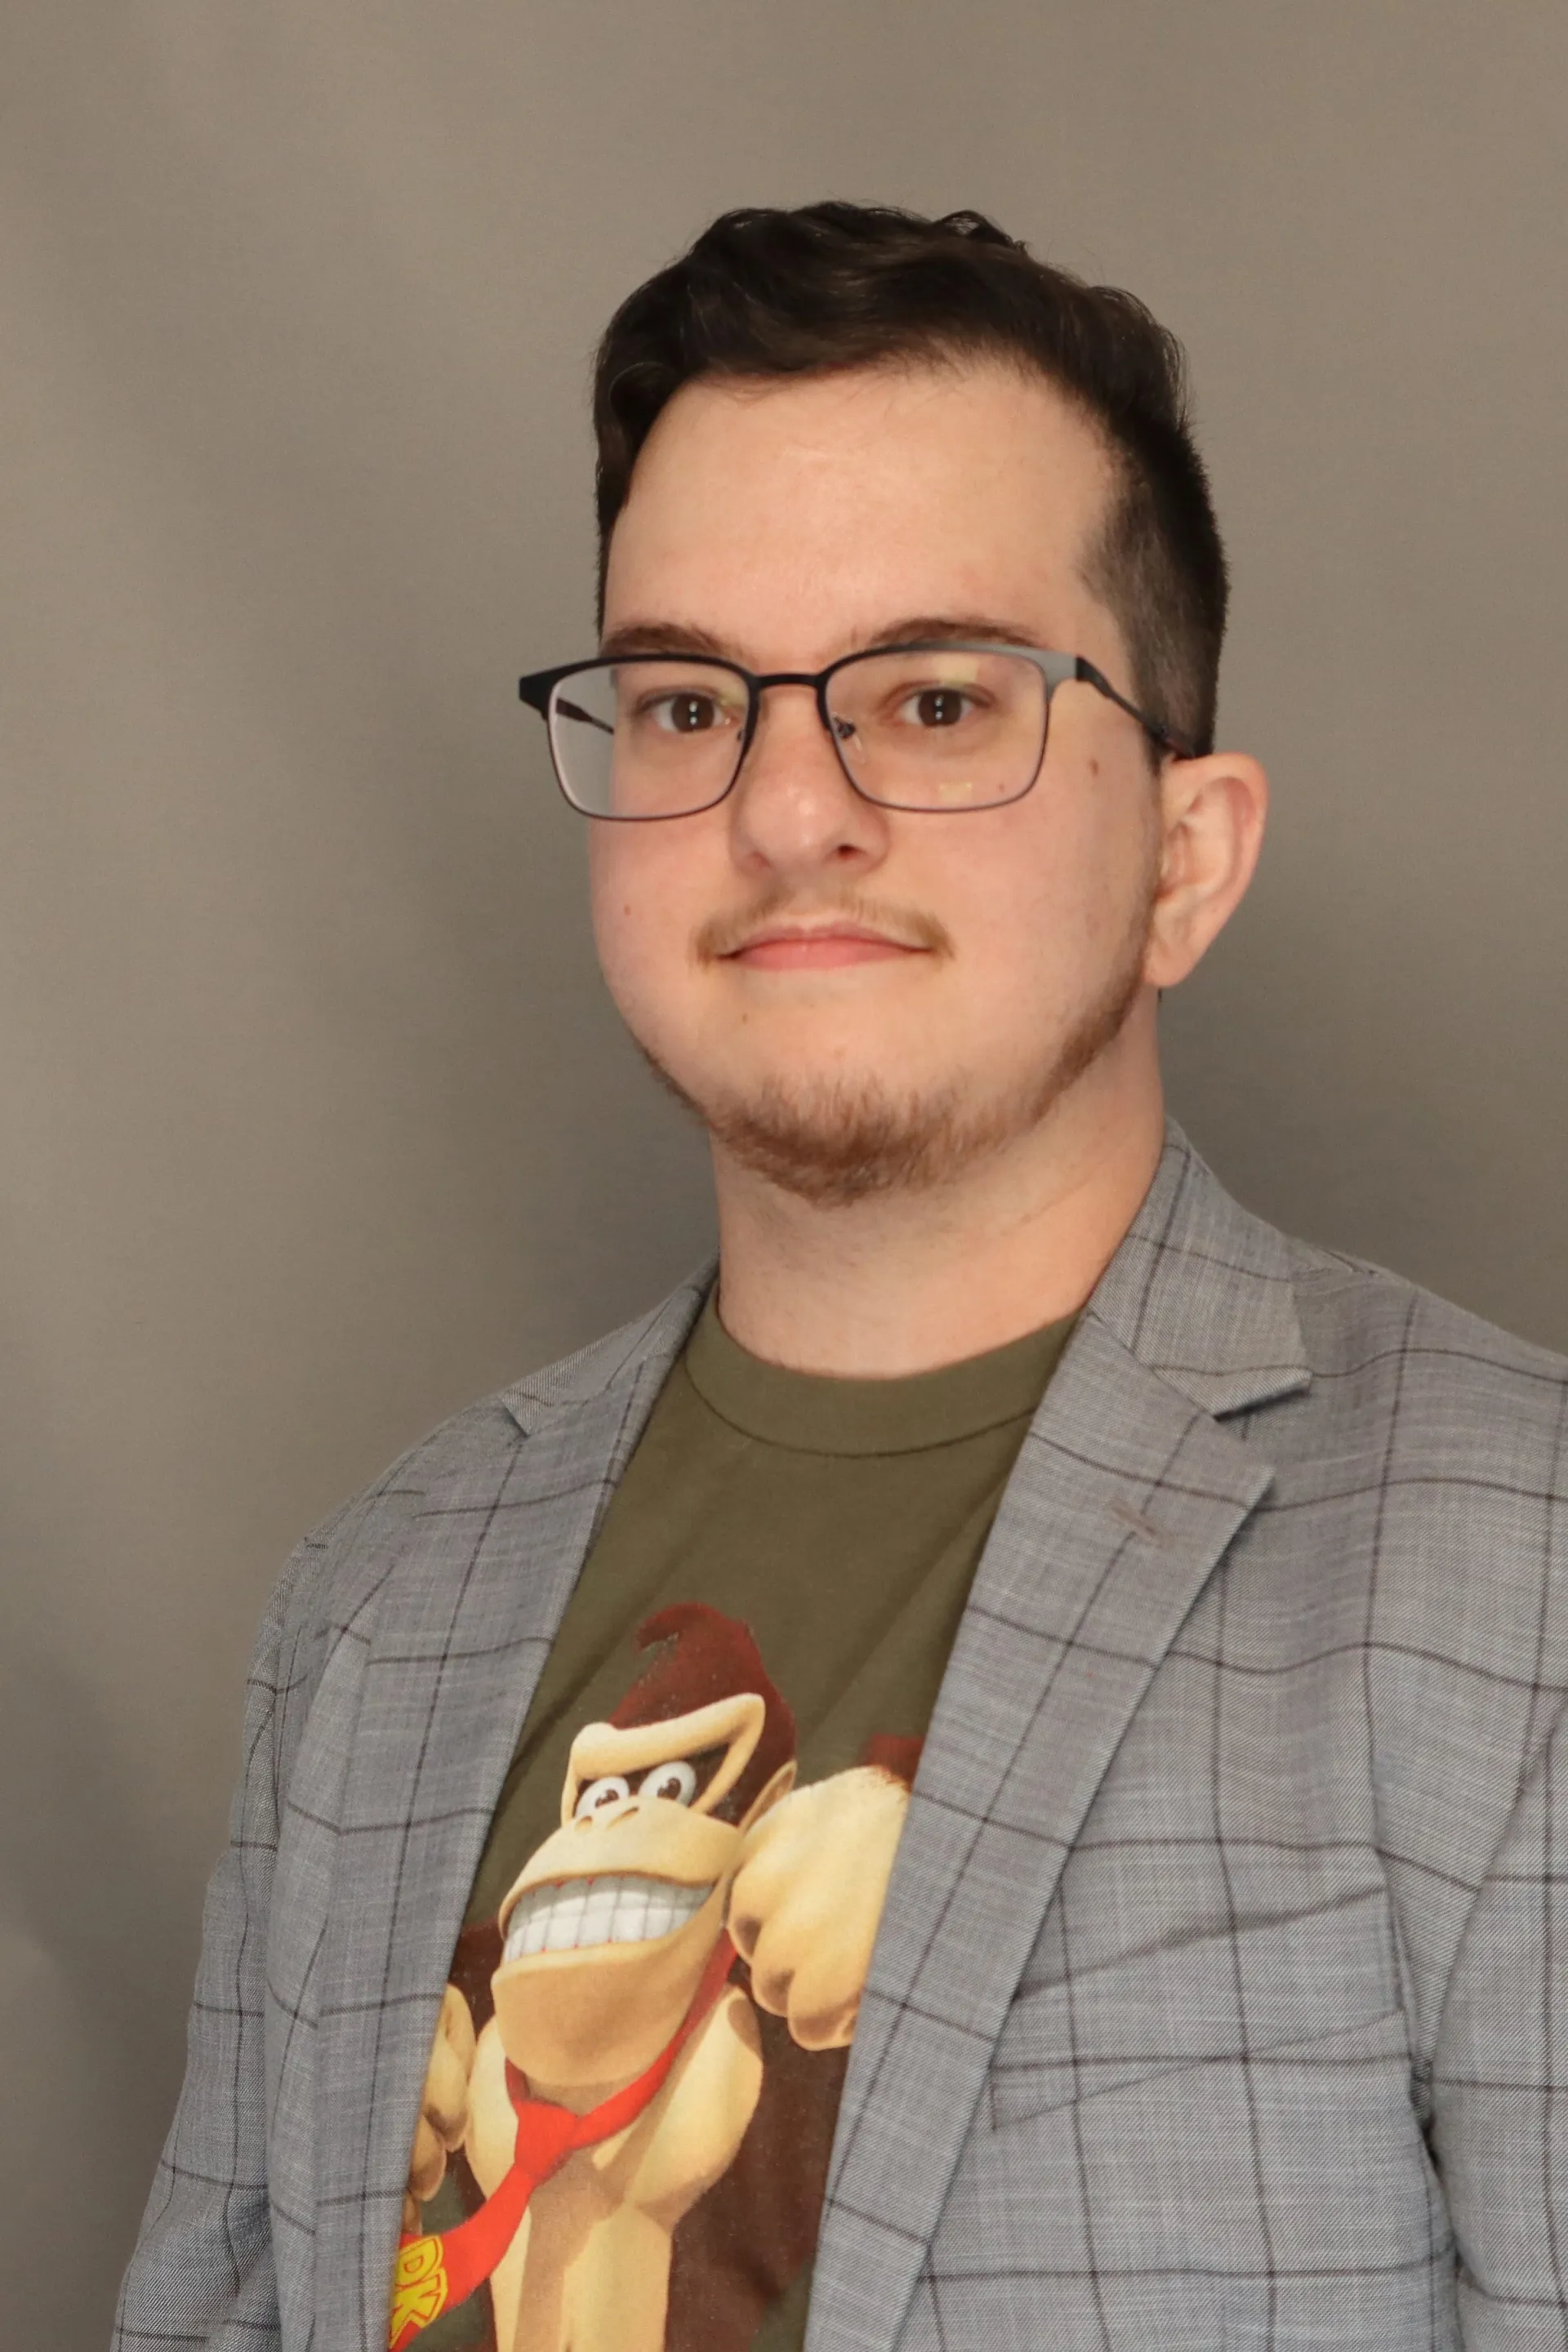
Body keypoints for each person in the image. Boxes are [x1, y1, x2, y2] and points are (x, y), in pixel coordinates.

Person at [114, 203, 1568, 2352]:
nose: (791, 806)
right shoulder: (376, 1606)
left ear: (1187, 855)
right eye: (691, 698)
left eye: (936, 695)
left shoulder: (1508, 1574)